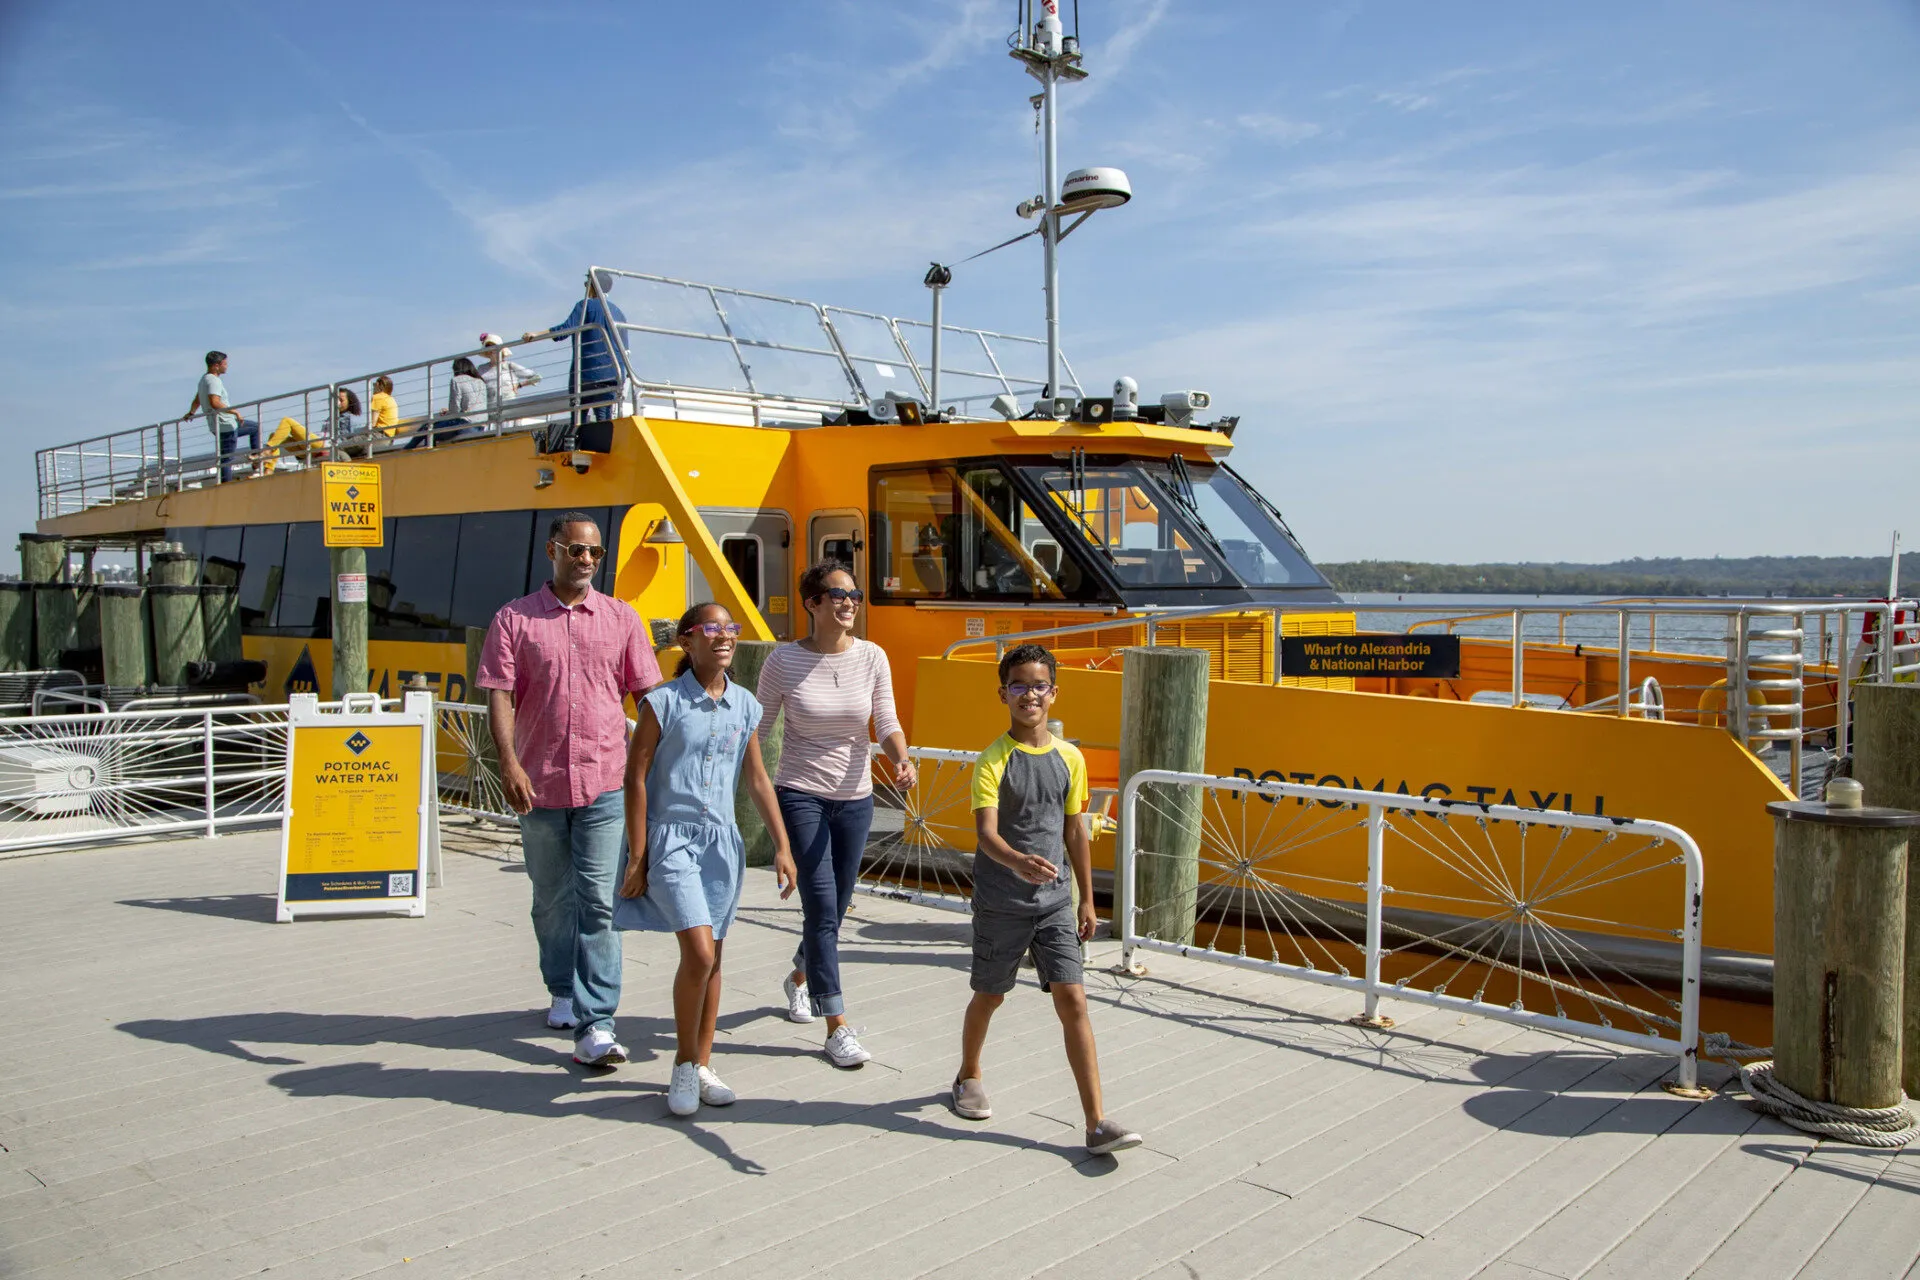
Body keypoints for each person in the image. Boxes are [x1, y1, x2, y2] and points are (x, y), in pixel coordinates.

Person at [475, 512, 663, 1068]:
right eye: (576, 550)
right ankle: (561, 987)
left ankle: (597, 1022)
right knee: (551, 901)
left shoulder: (623, 618)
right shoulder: (513, 619)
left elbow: (647, 697)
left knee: (600, 905)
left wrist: (665, 762)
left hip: (606, 781)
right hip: (538, 783)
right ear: (553, 551)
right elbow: (500, 695)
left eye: (595, 553)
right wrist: (508, 762)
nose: (586, 560)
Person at [952, 642, 1143, 1157]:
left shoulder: (1071, 758)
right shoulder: (993, 760)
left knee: (1073, 999)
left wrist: (1085, 899)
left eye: (1039, 686)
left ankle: (1096, 1122)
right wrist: (1016, 861)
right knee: (990, 995)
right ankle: (968, 1073)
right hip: (1002, 902)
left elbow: (1076, 830)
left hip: (1056, 902)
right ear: (1003, 694)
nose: (1029, 695)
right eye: (1019, 686)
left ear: (1054, 693)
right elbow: (987, 835)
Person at [617, 603, 797, 1116]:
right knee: (697, 953)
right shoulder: (663, 702)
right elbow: (636, 776)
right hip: (670, 841)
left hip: (722, 843)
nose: (724, 636)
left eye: (731, 628)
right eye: (711, 628)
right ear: (686, 642)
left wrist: (782, 847)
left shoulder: (745, 704)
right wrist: (637, 855)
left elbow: (758, 778)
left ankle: (702, 1063)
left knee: (715, 955)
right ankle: (681, 1063)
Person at [757, 562, 915, 1068]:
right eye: (838, 595)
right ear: (812, 604)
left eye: (855, 595)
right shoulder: (782, 661)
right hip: (800, 794)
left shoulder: (872, 656)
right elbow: (758, 733)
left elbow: (885, 719)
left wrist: (901, 758)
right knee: (822, 909)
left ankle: (801, 975)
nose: (849, 603)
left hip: (856, 798)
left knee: (838, 906)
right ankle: (836, 1026)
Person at [524, 269, 629, 424]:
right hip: (613, 373)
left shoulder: (586, 305)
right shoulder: (618, 313)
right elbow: (624, 347)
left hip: (585, 373)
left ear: (593, 286)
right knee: (604, 419)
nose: (585, 286)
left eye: (587, 283)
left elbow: (564, 330)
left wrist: (536, 334)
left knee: (579, 419)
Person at [183, 351, 260, 482]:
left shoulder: (204, 379)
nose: (227, 366)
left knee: (254, 428)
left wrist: (191, 412)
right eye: (225, 364)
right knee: (227, 458)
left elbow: (198, 399)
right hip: (226, 425)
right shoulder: (214, 381)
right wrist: (235, 412)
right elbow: (215, 402)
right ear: (216, 366)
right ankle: (230, 482)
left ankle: (256, 459)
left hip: (217, 426)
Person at [263, 387, 357, 473]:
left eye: (341, 400)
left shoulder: (347, 418)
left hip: (324, 446)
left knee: (287, 421)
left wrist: (335, 449)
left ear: (350, 402)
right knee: (273, 436)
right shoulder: (331, 417)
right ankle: (269, 469)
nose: (338, 402)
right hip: (314, 448)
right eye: (336, 399)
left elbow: (345, 439)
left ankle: (266, 452)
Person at [407, 356, 486, 449]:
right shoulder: (481, 382)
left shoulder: (457, 380)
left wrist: (448, 413)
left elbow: (454, 411)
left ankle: (405, 452)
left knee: (427, 428)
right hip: (480, 427)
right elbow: (473, 405)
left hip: (463, 425)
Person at [478, 333, 541, 428]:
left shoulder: (510, 366)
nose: (491, 350)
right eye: (488, 347)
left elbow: (537, 377)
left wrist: (519, 385)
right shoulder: (481, 369)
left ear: (501, 350)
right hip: (489, 409)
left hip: (508, 409)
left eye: (493, 347)